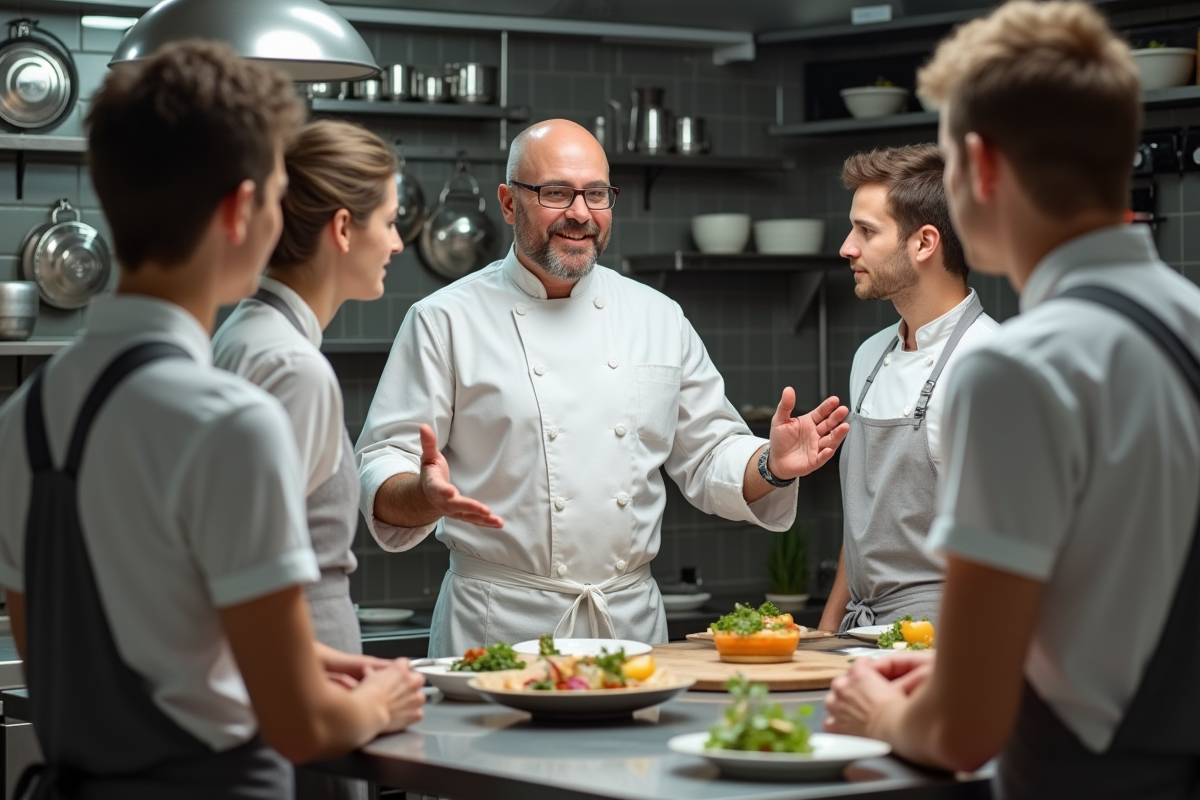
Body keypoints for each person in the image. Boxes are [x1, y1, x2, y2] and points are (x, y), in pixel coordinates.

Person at [0, 42, 424, 799]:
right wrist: (379, 700)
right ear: (240, 211)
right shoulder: (231, 424)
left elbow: (98, 653)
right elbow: (301, 729)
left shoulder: (24, 419)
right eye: (276, 192)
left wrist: (304, 660)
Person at [823, 3, 1200, 798]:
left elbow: (965, 730)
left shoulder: (1018, 369)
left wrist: (878, 710)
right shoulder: (1187, 321)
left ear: (983, 169)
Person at [356, 119, 851, 657]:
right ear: (507, 202)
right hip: (498, 628)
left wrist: (770, 464)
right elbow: (385, 460)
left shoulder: (656, 316)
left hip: (628, 629)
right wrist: (422, 497)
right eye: (555, 193)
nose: (580, 213)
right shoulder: (444, 320)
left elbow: (710, 453)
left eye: (596, 194)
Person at [213, 120, 404, 800]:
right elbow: (256, 562)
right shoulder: (294, 367)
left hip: (271, 680)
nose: (398, 242)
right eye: (390, 220)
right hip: (304, 686)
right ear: (344, 228)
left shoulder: (245, 331)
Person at [818, 144, 998, 633]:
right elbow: (865, 526)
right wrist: (828, 630)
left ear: (924, 243)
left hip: (939, 643)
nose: (846, 247)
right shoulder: (870, 356)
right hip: (860, 634)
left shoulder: (990, 370)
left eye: (866, 231)